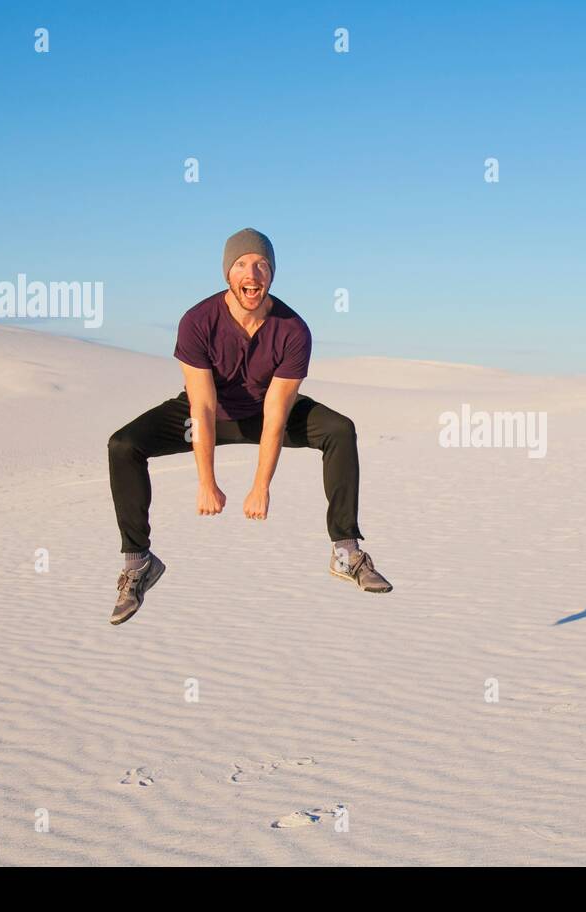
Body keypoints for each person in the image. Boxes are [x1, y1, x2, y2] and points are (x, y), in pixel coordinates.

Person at [106, 228, 392, 625]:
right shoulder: (197, 321)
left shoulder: (293, 330)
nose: (251, 272)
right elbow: (202, 407)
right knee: (124, 445)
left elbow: (276, 413)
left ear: (271, 275)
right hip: (208, 417)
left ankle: (345, 552)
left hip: (263, 417)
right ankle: (138, 564)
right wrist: (207, 482)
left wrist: (261, 487)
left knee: (339, 430)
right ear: (228, 274)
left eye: (261, 264)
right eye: (241, 264)